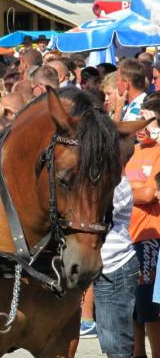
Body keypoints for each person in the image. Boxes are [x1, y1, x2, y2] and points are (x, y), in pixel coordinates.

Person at [94, 134, 139, 358]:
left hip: (116, 266)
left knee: (117, 341)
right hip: (110, 265)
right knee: (108, 336)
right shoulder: (112, 182)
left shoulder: (118, 186)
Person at [125, 98, 160, 358]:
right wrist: (139, 191)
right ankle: (138, 354)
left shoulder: (158, 151)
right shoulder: (131, 151)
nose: (141, 126)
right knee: (133, 305)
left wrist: (128, 191)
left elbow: (151, 194)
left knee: (149, 305)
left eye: (147, 120)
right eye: (139, 118)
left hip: (150, 236)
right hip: (126, 236)